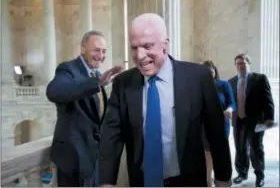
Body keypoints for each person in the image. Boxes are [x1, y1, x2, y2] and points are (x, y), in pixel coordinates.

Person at [98, 13, 232, 187]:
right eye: (134, 47)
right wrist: (106, 181)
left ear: (165, 45)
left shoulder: (198, 77)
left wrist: (223, 177)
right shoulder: (123, 83)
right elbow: (111, 135)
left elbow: (216, 131)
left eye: (147, 46)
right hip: (142, 181)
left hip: (189, 180)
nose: (139, 56)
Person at [46, 30, 123, 187]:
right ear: (82, 49)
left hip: (93, 161)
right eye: (96, 50)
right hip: (72, 161)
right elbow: (53, 91)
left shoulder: (98, 75)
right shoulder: (67, 69)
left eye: (103, 51)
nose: (101, 55)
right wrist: (97, 83)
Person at [228, 53, 275, 187]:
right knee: (240, 149)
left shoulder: (259, 79)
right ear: (235, 66)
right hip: (239, 121)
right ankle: (242, 173)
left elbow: (268, 100)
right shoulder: (231, 81)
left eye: (243, 63)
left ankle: (259, 175)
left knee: (256, 149)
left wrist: (269, 118)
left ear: (249, 64)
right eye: (238, 63)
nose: (241, 66)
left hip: (255, 122)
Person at [202, 60, 236, 187]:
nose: (210, 75)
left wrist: (229, 109)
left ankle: (221, 181)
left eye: (211, 72)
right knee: (207, 154)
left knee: (220, 154)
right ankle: (208, 181)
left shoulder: (224, 84)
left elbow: (232, 102)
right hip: (204, 125)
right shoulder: (199, 85)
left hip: (222, 124)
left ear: (215, 71)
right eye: (206, 72)